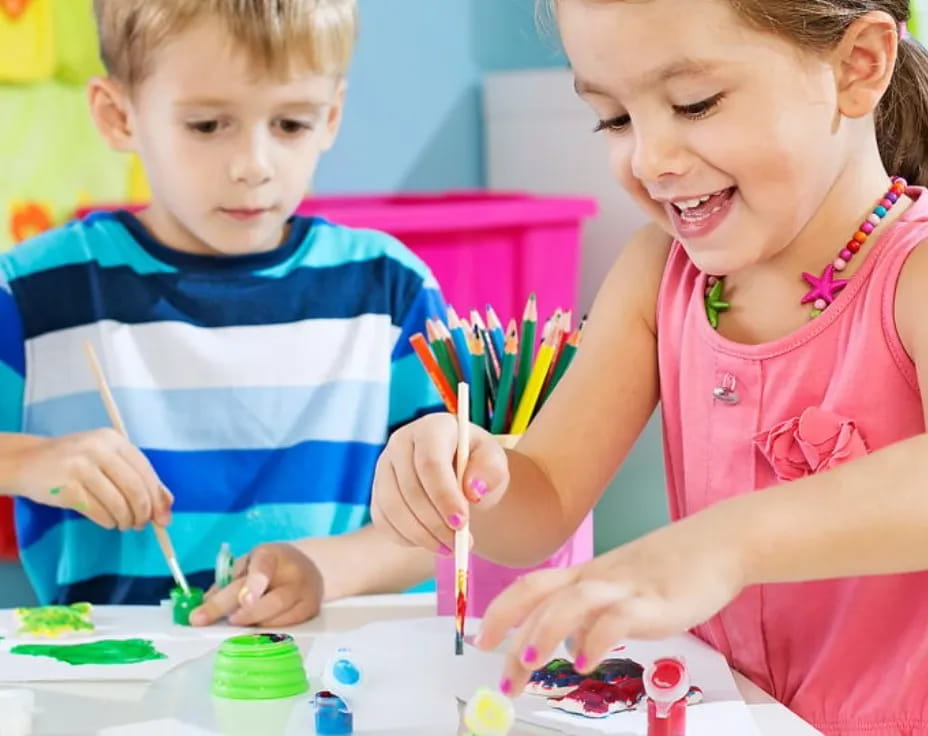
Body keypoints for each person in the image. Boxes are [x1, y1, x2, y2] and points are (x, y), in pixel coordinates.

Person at [370, 1, 928, 732]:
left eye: (695, 103)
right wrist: (465, 475)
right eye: (615, 119)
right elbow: (542, 499)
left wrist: (722, 546)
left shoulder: (912, 273)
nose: (648, 160)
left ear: (859, 66)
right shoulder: (658, 275)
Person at [0, 0, 445, 628]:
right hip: (109, 695)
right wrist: (24, 462)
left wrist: (324, 569)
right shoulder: (33, 292)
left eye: (290, 124)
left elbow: (450, 519)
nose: (254, 167)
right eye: (208, 125)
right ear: (118, 115)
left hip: (332, 686)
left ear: (332, 116)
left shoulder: (389, 291)